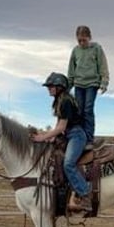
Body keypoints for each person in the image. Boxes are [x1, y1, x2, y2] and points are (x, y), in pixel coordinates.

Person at [31, 72, 92, 212]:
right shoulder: (59, 101)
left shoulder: (65, 102)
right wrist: (48, 135)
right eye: (49, 86)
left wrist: (43, 137)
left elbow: (62, 127)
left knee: (69, 163)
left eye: (51, 86)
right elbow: (58, 126)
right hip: (69, 135)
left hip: (76, 135)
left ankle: (85, 194)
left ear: (60, 87)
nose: (49, 88)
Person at [67, 25, 109, 151]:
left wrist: (104, 82)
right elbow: (71, 70)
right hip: (79, 83)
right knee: (78, 111)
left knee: (88, 109)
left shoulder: (96, 48)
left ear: (89, 38)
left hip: (92, 83)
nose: (81, 43)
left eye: (84, 40)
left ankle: (89, 140)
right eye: (79, 40)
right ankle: (80, 138)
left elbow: (103, 66)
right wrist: (68, 86)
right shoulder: (75, 51)